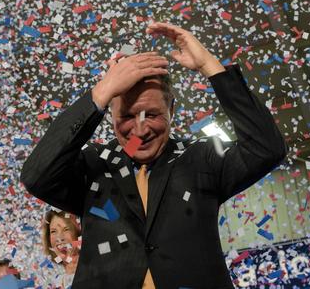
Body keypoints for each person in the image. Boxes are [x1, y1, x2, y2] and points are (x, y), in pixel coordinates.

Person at [21, 22, 287, 288]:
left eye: (152, 114)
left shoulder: (201, 158)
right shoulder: (93, 165)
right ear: (110, 115)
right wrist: (101, 93)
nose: (141, 129)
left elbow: (266, 149)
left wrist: (209, 65)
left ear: (171, 108)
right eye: (126, 116)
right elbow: (36, 176)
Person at [42, 209, 81, 288]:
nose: (59, 238)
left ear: (78, 233)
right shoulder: (59, 282)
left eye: (66, 229)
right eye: (53, 231)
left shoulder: (96, 269)